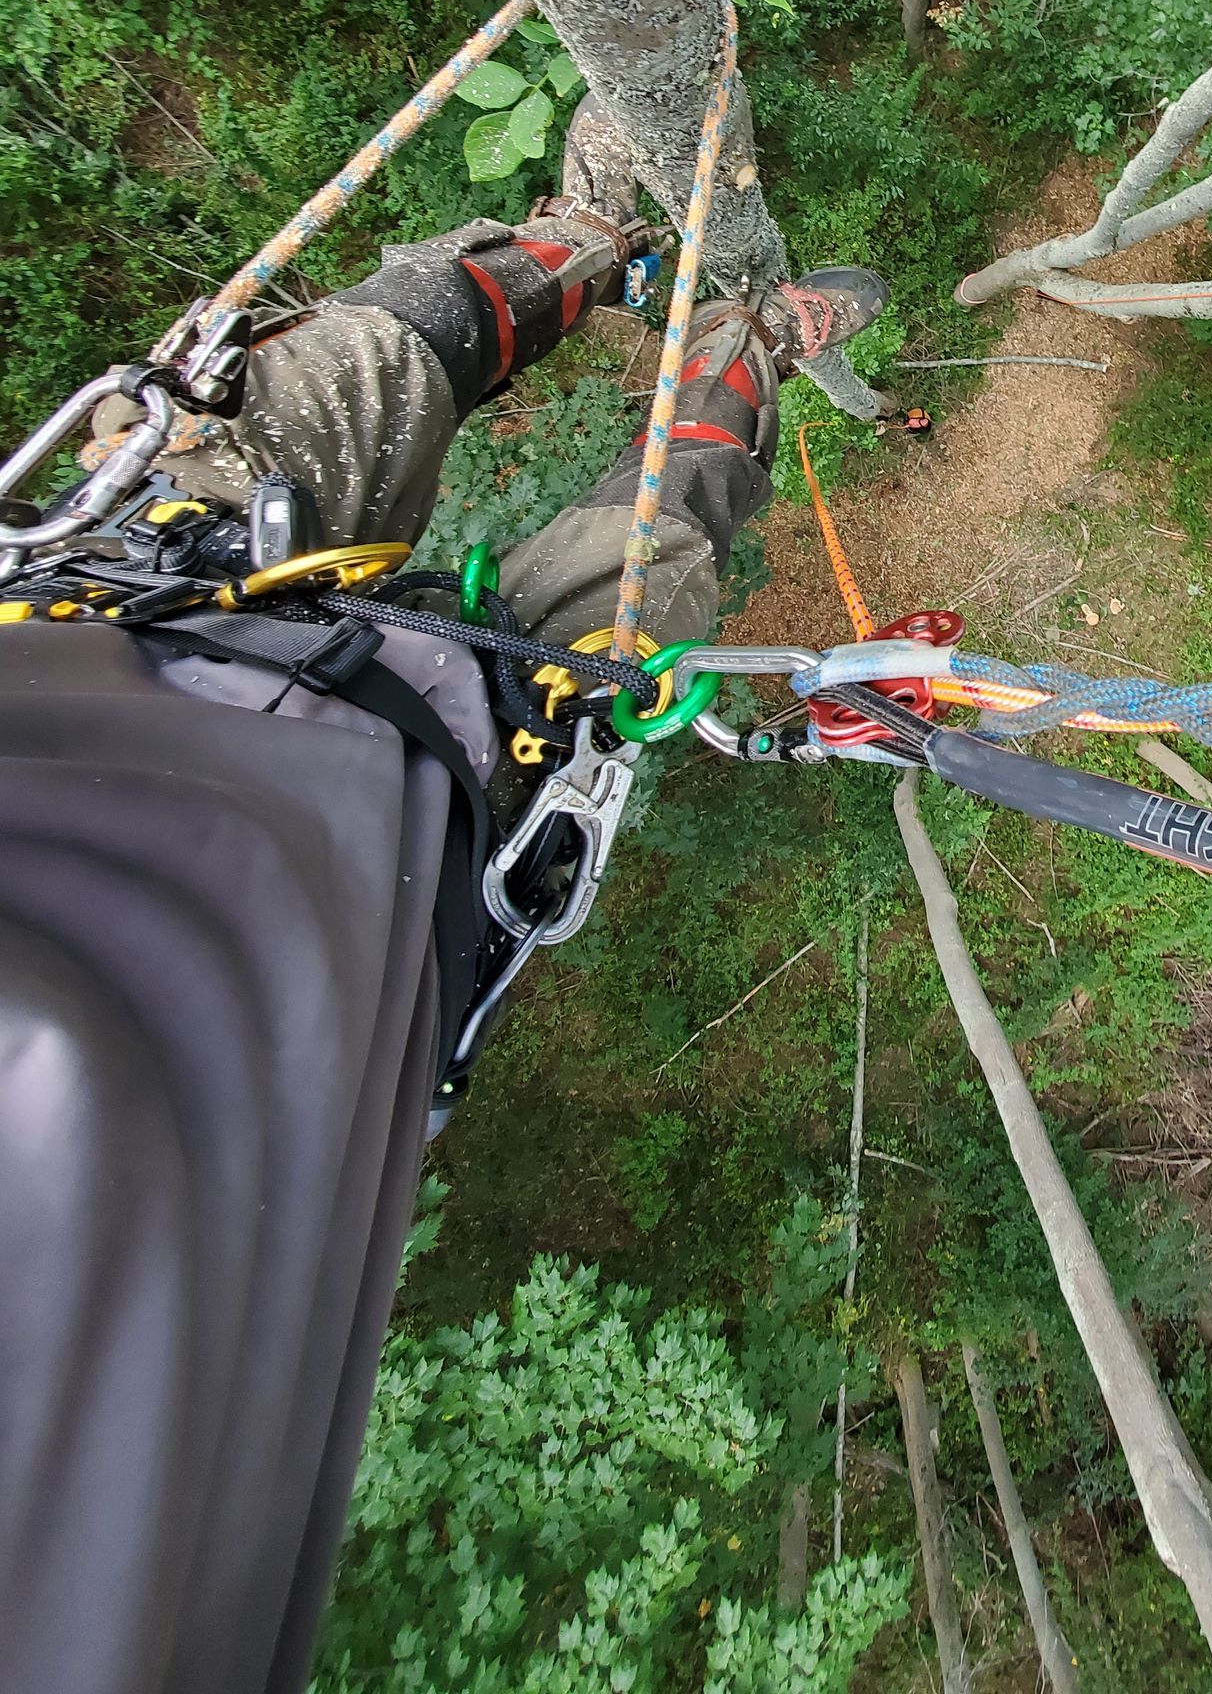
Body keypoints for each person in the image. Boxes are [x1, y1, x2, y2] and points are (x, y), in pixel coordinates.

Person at [0, 103, 885, 1694]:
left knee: (371, 362)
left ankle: (598, 237)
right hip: (380, 840)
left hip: (132, 617)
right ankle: (742, 344)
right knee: (645, 560)